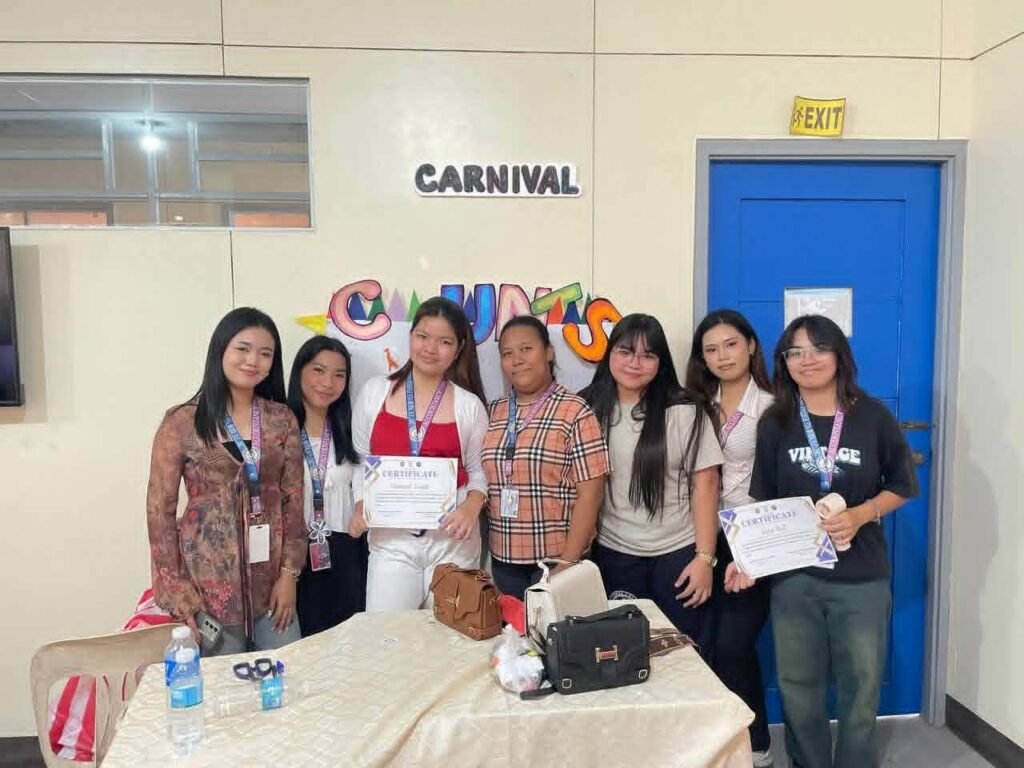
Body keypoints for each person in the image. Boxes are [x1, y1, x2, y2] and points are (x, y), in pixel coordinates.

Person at [734, 314, 918, 768]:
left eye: (818, 349)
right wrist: (747, 556)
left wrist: (860, 514)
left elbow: (902, 485)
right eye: (794, 352)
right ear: (783, 362)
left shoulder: (873, 417)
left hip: (861, 577)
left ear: (839, 355)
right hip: (795, 577)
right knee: (798, 686)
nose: (807, 360)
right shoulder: (776, 422)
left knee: (861, 686)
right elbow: (765, 500)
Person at [147, 307, 305, 654]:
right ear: (220, 350)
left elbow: (294, 499)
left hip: (272, 585)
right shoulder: (181, 422)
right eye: (243, 349)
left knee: (285, 676)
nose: (253, 361)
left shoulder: (281, 419)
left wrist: (289, 575)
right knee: (222, 684)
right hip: (207, 589)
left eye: (265, 354)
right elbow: (159, 512)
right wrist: (180, 593)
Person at [581, 313, 721, 652]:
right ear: (610, 354)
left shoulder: (684, 410)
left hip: (678, 555)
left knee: (682, 655)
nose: (635, 363)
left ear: (661, 362)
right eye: (626, 351)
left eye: (648, 355)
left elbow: (705, 485)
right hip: (615, 555)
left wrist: (705, 559)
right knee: (622, 655)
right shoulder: (587, 408)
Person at [348, 297, 488, 611]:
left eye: (444, 342)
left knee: (452, 636)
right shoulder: (375, 393)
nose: (430, 348)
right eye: (423, 336)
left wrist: (471, 508)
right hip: (391, 543)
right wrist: (360, 504)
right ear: (411, 336)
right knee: (388, 635)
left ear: (458, 349)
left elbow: (479, 470)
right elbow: (361, 460)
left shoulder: (469, 406)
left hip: (453, 543)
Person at [685, 309, 775, 767]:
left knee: (734, 646)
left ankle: (756, 746)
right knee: (702, 644)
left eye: (731, 344)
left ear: (751, 345)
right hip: (702, 535)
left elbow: (781, 483)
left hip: (751, 538)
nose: (722, 356)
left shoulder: (773, 406)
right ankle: (715, 747)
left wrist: (755, 553)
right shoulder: (697, 403)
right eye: (711, 349)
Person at [482, 316, 610, 598]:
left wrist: (567, 563)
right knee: (513, 627)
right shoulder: (493, 411)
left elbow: (591, 493)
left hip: (557, 559)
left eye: (526, 349)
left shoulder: (575, 411)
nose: (517, 360)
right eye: (507, 353)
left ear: (549, 352)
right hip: (504, 559)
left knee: (556, 627)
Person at [287, 335, 367, 636]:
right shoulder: (280, 428)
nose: (328, 383)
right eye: (318, 370)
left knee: (347, 640)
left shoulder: (350, 429)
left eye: (339, 375)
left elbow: (363, 476)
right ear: (300, 372)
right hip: (295, 555)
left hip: (346, 550)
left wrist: (361, 506)